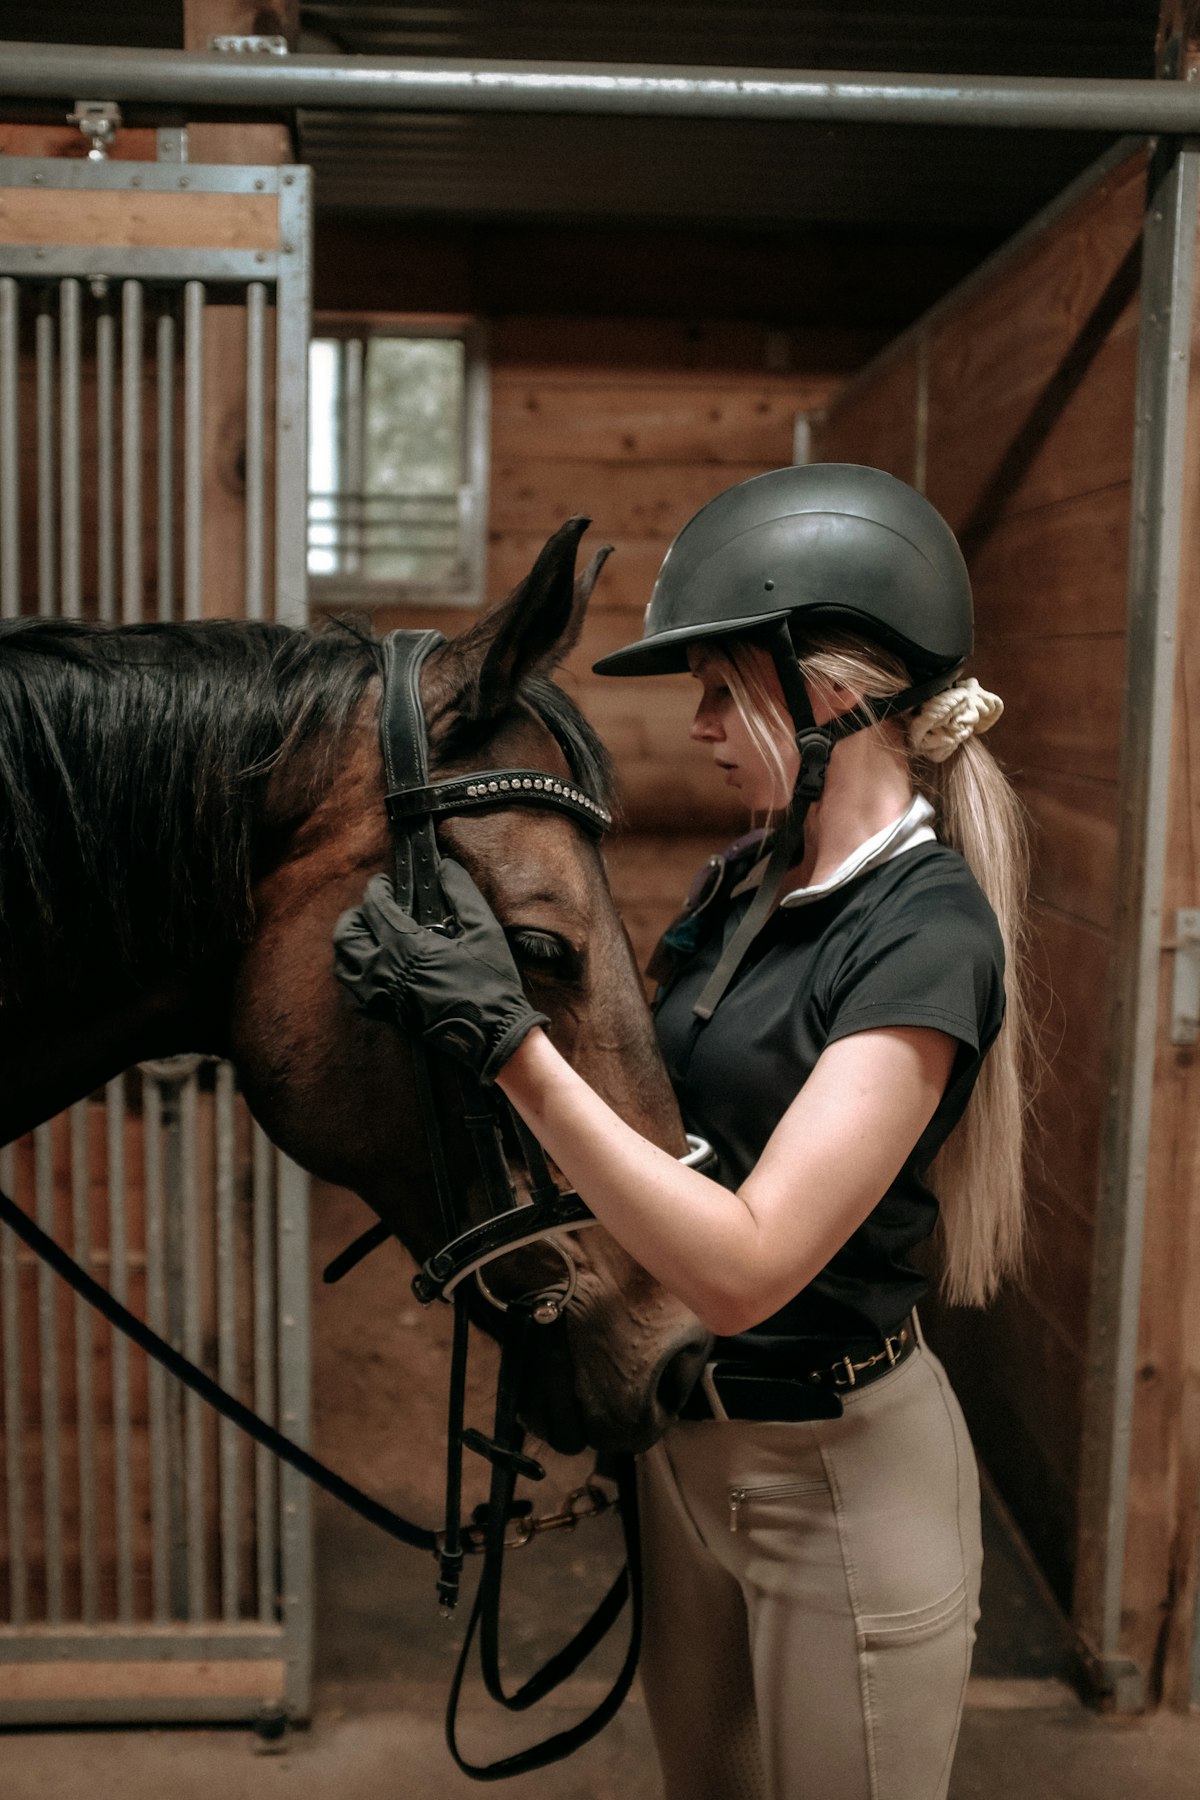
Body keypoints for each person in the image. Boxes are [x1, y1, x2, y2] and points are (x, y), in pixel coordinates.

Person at [333, 464, 1033, 1800]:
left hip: (836, 1473)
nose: (700, 724)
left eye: (721, 687)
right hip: (680, 1454)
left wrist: (511, 1051)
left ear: (825, 693)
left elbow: (748, 1262)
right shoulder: (744, 882)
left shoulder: (926, 935)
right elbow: (662, 1141)